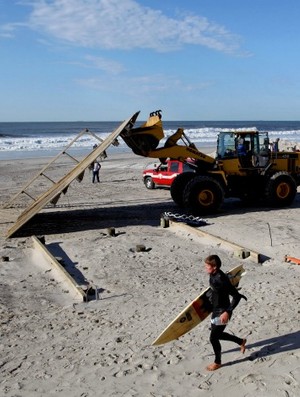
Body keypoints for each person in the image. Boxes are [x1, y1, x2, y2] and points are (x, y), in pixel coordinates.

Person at [204, 254, 247, 371]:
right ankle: (241, 341)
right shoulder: (212, 275)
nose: (205, 268)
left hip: (223, 312)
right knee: (217, 334)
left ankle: (217, 362)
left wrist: (227, 312)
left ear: (214, 267)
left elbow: (236, 296)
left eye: (207, 266)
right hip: (215, 309)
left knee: (213, 338)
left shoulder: (221, 279)